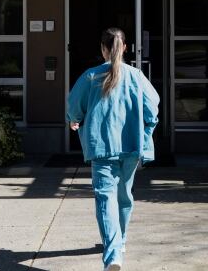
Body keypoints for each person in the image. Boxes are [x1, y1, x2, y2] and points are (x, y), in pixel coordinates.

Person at [66, 28, 160, 271]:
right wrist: (144, 135)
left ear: (102, 49)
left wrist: (74, 119)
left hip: (102, 147)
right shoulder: (136, 76)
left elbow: (74, 105)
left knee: (106, 200)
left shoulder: (90, 76)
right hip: (131, 147)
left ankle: (114, 254)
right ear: (125, 48)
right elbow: (153, 110)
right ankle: (121, 241)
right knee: (123, 196)